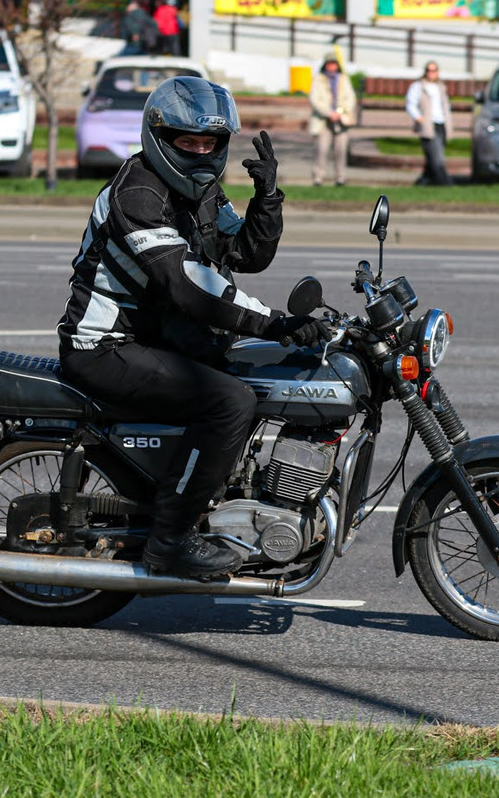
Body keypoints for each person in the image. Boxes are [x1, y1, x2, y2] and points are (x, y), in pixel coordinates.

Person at [56, 78, 330, 579]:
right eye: (189, 143)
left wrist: (267, 196)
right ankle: (170, 542)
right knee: (230, 402)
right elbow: (187, 286)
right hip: (106, 346)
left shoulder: (202, 191)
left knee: (260, 375)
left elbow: (244, 254)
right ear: (161, 139)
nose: (202, 153)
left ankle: (221, 502)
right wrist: (274, 322)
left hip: (161, 339)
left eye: (211, 144)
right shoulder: (138, 193)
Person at [308, 52, 357, 187]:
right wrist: (329, 112)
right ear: (325, 65)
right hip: (324, 120)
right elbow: (314, 99)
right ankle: (318, 177)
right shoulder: (318, 79)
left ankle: (340, 178)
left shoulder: (343, 79)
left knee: (341, 150)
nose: (332, 66)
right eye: (329, 64)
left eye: (334, 64)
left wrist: (340, 112)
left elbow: (350, 98)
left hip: (341, 120)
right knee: (321, 150)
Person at [404, 61, 453, 186]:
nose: (431, 73)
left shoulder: (440, 86)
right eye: (428, 70)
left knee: (433, 155)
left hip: (441, 123)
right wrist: (419, 118)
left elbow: (445, 106)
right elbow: (410, 104)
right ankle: (443, 182)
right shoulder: (418, 86)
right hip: (428, 124)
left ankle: (424, 181)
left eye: (434, 70)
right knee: (436, 157)